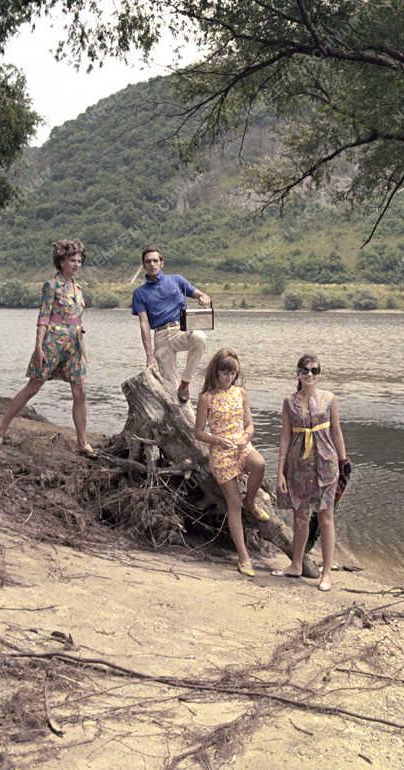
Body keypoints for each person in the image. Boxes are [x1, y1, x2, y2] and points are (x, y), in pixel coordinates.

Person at [0, 239, 93, 457]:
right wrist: (38, 348)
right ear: (61, 262)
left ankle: (82, 442)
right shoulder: (51, 286)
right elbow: (44, 317)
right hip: (52, 342)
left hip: (75, 345)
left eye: (79, 261)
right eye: (72, 260)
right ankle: (0, 429)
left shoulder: (79, 288)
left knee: (80, 391)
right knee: (33, 386)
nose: (76, 264)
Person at [274, 354, 349, 592]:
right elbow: (285, 437)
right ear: (297, 374)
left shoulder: (329, 399)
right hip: (298, 466)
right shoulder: (288, 402)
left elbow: (336, 432)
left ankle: (326, 573)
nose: (309, 374)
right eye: (305, 370)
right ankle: (296, 564)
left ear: (319, 374)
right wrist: (280, 472)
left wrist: (344, 460)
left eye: (314, 371)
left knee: (326, 517)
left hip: (326, 464)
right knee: (300, 517)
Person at [193, 348, 270, 577]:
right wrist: (216, 439)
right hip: (221, 452)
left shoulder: (241, 393)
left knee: (260, 464)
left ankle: (252, 502)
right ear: (215, 372)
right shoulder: (206, 398)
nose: (229, 378)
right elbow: (198, 432)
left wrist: (246, 436)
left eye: (233, 373)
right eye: (225, 373)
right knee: (233, 504)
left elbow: (250, 425)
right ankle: (244, 556)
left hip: (242, 446)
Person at [131, 245, 211, 403]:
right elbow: (144, 324)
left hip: (180, 330)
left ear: (162, 263)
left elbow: (200, 294)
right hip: (160, 336)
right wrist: (149, 355)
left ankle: (186, 383)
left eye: (155, 260)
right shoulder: (139, 293)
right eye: (148, 262)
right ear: (144, 265)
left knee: (200, 338)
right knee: (171, 391)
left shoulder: (177, 280)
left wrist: (203, 298)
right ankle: (184, 423)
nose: (152, 264)